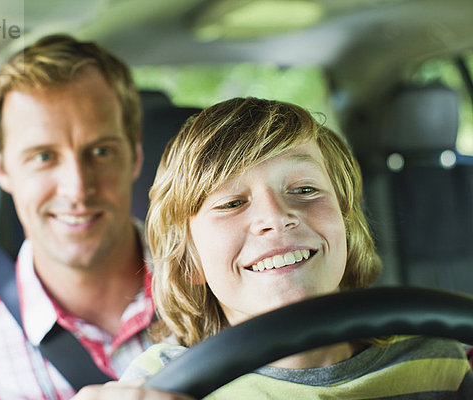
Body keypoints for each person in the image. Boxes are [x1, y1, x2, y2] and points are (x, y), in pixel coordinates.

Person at [74, 97, 473, 399]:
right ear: (189, 260)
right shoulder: (162, 385)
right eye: (231, 203)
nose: (276, 218)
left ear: (347, 229)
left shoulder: (436, 357)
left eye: (304, 190)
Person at [0, 34, 156, 399]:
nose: (77, 189)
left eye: (101, 151)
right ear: (0, 165)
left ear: (135, 154)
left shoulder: (225, 293)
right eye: (43, 157)